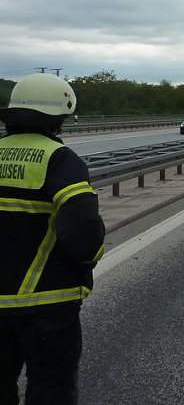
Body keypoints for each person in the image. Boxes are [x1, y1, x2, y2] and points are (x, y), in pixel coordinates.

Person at [0, 73, 105, 404]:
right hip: (47, 302)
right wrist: (88, 260)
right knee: (50, 388)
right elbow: (83, 226)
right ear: (58, 117)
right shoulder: (59, 159)